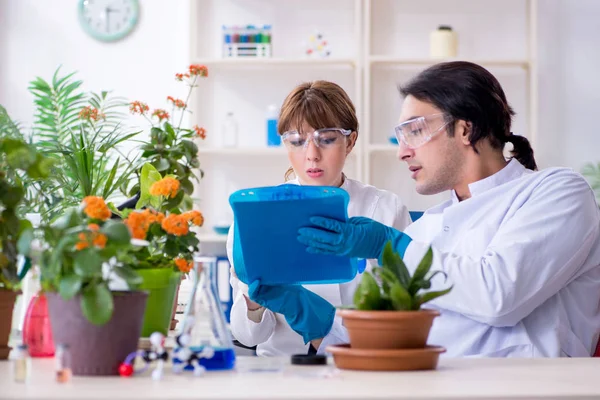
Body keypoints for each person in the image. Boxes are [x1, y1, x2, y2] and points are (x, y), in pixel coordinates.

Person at [297, 61, 600, 357]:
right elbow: (390, 335)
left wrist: (390, 245)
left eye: (414, 131)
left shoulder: (558, 192)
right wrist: (316, 319)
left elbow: (498, 296)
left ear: (466, 130)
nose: (402, 152)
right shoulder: (427, 227)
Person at [226, 80, 412, 356]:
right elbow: (248, 336)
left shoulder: (385, 208)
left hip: (363, 362)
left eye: (326, 139)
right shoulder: (254, 216)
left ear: (350, 141)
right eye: (297, 141)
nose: (312, 155)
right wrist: (253, 302)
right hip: (282, 371)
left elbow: (408, 312)